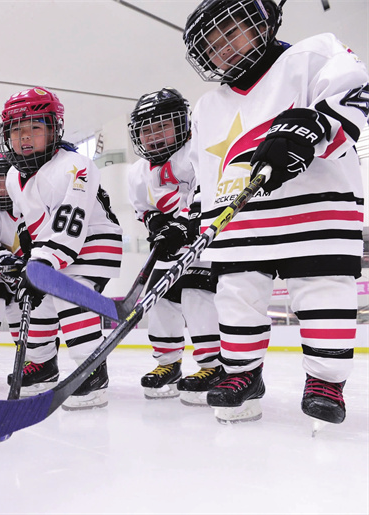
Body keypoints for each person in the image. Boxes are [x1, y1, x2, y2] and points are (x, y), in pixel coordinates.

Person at [183, 0, 368, 425]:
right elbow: (203, 173)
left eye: (231, 31)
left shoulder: (311, 55)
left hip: (315, 212)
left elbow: (358, 90)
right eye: (211, 43)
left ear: (263, 22)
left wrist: (311, 125)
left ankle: (326, 380)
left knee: (323, 292)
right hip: (238, 219)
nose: (222, 47)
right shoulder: (206, 107)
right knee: (236, 299)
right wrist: (191, 218)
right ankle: (243, 375)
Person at [1, 87, 123, 410]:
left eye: (35, 128)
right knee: (31, 299)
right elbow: (29, 218)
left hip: (96, 243)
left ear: (54, 130)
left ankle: (92, 371)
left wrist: (41, 263)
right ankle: (43, 365)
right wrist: (30, 246)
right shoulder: (14, 176)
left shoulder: (76, 165)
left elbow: (69, 227)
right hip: (53, 251)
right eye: (17, 129)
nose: (24, 137)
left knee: (69, 293)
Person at [126, 88, 224, 405]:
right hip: (169, 250)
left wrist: (185, 224)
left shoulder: (199, 150)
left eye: (162, 126)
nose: (153, 135)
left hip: (202, 245)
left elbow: (207, 192)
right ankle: (167, 363)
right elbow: (144, 209)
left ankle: (212, 365)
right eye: (147, 129)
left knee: (197, 297)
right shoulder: (138, 172)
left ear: (182, 122)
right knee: (159, 302)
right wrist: (155, 223)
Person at [0, 151, 60, 390]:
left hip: (21, 275)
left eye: (3, 182)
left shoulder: (28, 208)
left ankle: (35, 359)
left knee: (26, 313)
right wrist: (7, 263)